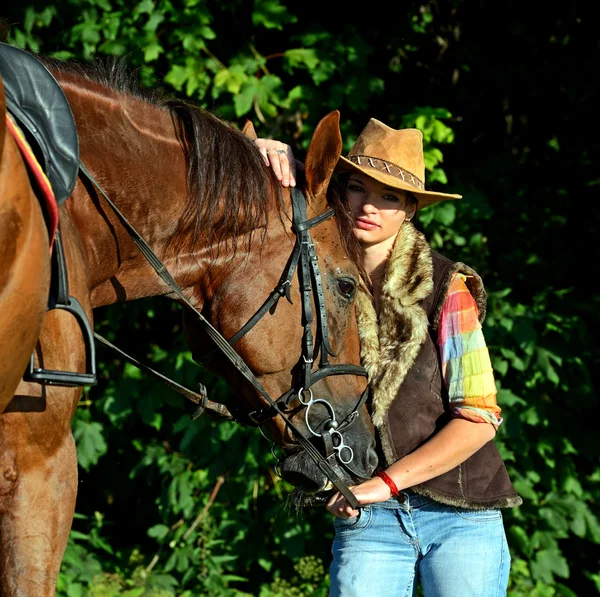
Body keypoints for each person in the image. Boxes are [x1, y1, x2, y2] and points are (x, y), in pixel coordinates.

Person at [254, 117, 522, 597]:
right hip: (369, 521)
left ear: (410, 209)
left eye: (390, 197)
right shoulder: (317, 284)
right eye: (357, 188)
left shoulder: (446, 288)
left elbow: (478, 418)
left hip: (461, 514)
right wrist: (269, 151)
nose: (369, 206)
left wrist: (385, 484)